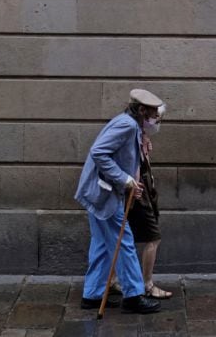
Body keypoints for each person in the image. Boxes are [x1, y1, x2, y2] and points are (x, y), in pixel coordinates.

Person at [74, 88, 163, 315]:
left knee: (103, 245)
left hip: (97, 192)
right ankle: (134, 295)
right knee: (124, 241)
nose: (155, 119)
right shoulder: (127, 125)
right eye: (153, 114)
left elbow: (122, 157)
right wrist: (125, 179)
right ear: (142, 111)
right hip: (104, 194)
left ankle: (92, 294)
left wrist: (132, 179)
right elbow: (99, 152)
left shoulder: (130, 125)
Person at [127, 102, 172, 299]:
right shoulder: (130, 132)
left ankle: (114, 281)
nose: (157, 123)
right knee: (153, 238)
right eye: (156, 118)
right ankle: (147, 284)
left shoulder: (139, 134)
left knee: (126, 240)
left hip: (144, 190)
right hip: (138, 192)